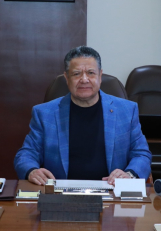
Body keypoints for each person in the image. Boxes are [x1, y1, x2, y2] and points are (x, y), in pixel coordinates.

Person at [14, 46, 152, 185]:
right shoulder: (44, 113)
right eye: (76, 74)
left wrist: (129, 174)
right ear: (67, 78)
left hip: (112, 191)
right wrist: (32, 171)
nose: (84, 79)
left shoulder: (126, 110)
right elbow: (26, 154)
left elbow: (142, 153)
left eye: (91, 73)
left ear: (100, 76)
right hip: (60, 192)